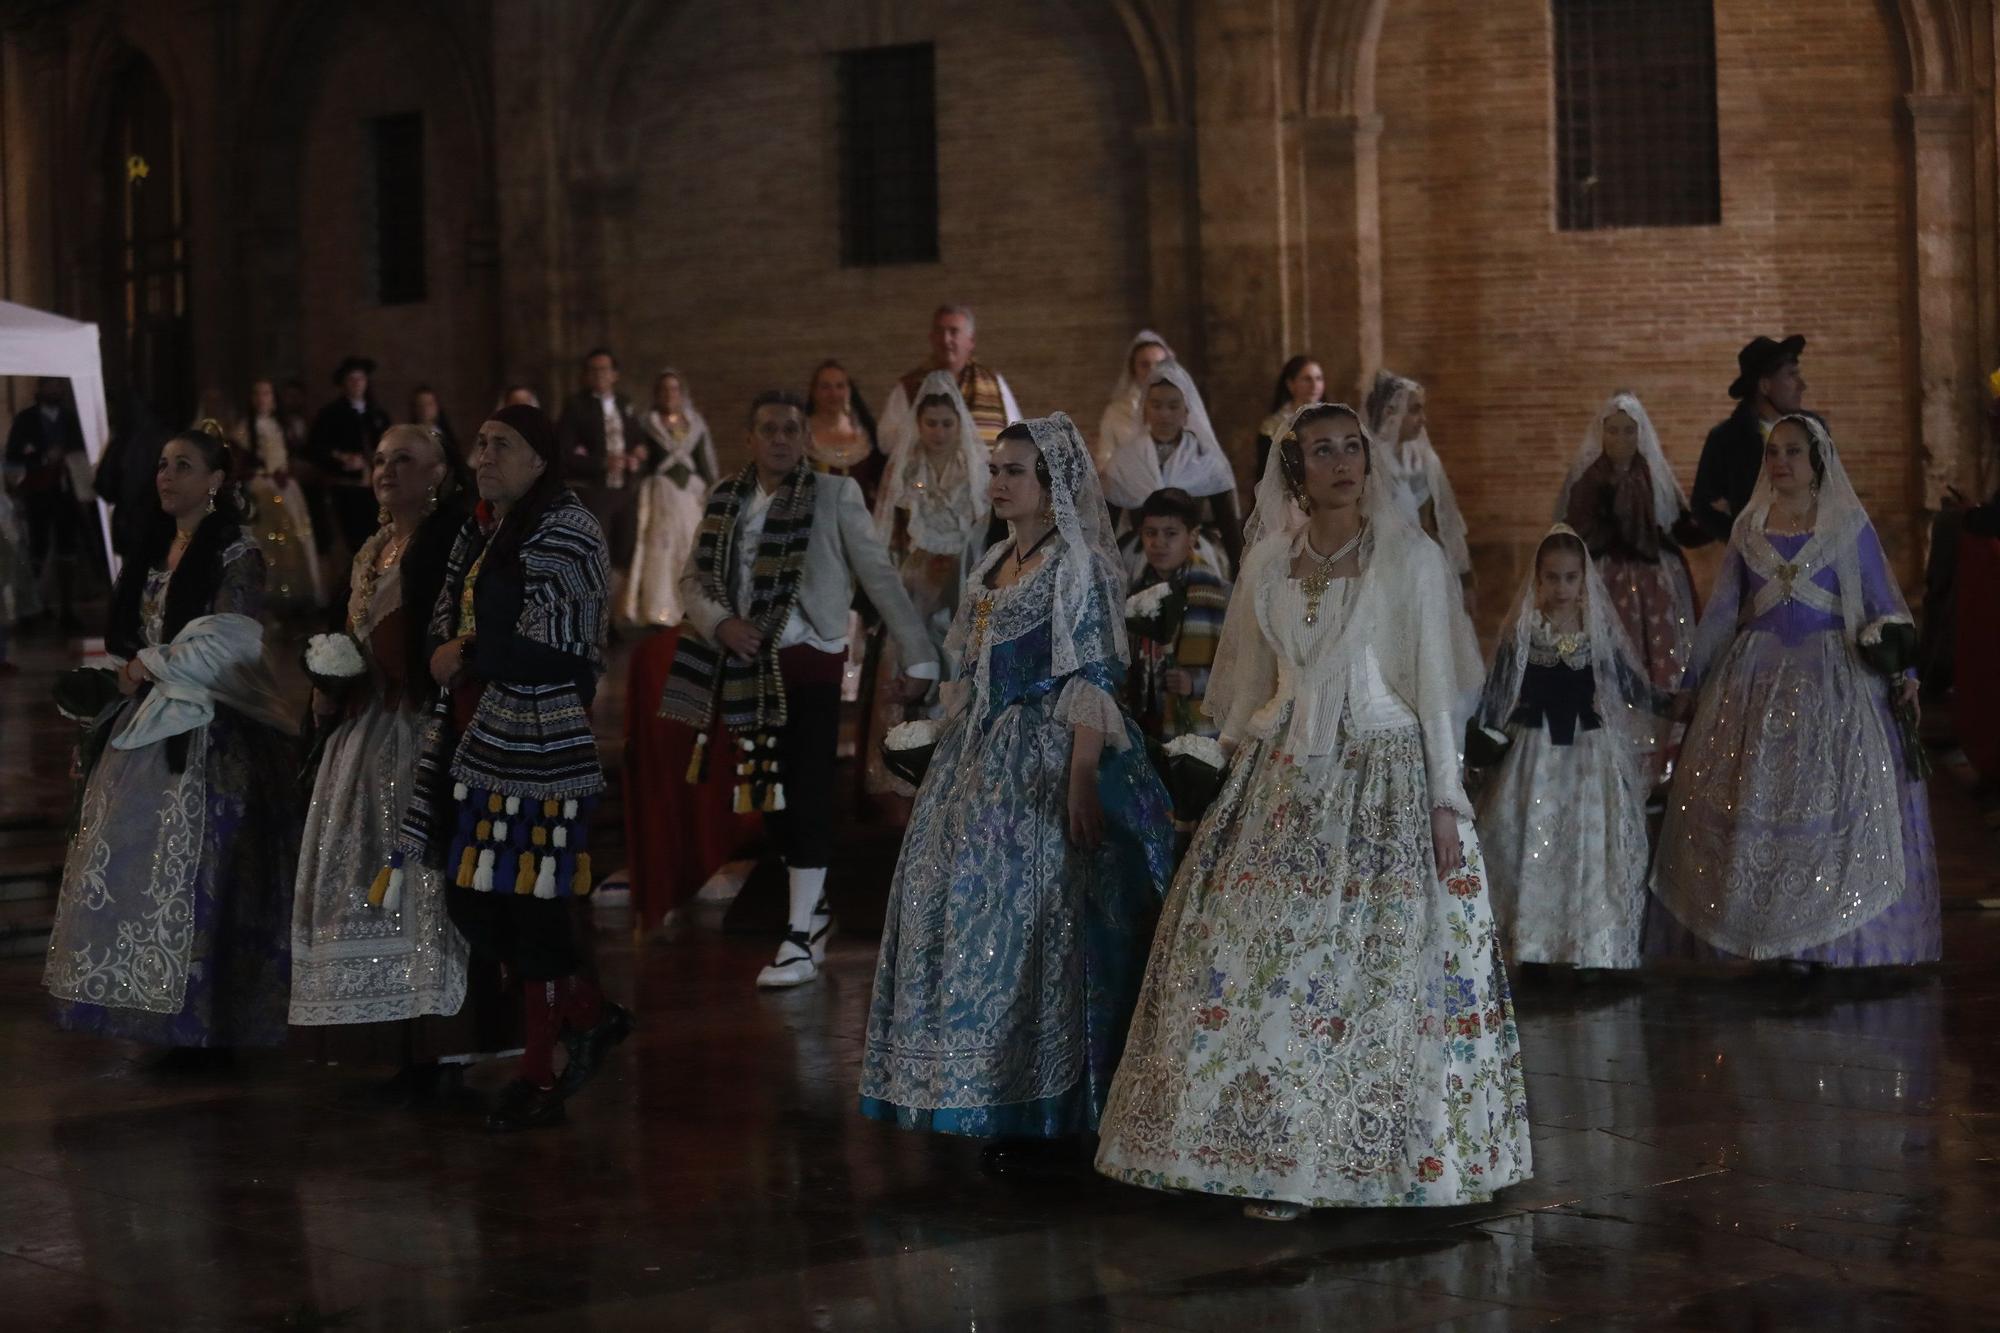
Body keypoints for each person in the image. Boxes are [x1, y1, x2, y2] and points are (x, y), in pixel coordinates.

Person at [1094, 401, 1528, 1220]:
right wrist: (1211, 759)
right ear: (1295, 469)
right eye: (1319, 450)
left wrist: (1445, 798)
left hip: (1384, 774)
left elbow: (1437, 688)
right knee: (1253, 951)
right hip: (1283, 774)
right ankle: (1267, 1149)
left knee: (1370, 966)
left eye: (1350, 448)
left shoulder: (1411, 558)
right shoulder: (1267, 560)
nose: (1339, 462)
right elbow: (1248, 683)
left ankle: (1366, 1152)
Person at [859, 413, 1173, 1173]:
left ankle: (1054, 1110)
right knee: (959, 905)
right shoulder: (995, 561)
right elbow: (975, 673)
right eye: (995, 469)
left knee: (1043, 919)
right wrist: (933, 720)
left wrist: (1079, 781)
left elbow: (1093, 677)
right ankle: (989, 1089)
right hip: (982, 755)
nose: (998, 483)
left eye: (1015, 471)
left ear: (1052, 482)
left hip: (1052, 753)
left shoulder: (1079, 564)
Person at [396, 403, 632, 1130]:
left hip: (537, 741)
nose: (484, 455)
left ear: (540, 458)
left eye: (503, 444)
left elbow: (560, 645)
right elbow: (444, 610)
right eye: (481, 442)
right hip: (472, 736)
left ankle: (539, 1071)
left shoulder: (569, 530)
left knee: (528, 905)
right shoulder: (479, 526)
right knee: (474, 896)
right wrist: (453, 646)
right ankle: (589, 1013)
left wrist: (466, 653)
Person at [661, 391, 939, 989]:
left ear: (806, 439)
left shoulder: (835, 494)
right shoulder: (724, 498)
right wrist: (720, 623)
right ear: (750, 439)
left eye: (792, 429)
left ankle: (797, 939)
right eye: (770, 429)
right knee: (771, 797)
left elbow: (878, 575)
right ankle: (812, 911)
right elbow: (691, 578)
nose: (782, 439)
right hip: (745, 666)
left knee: (808, 788)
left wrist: (919, 652)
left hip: (810, 659)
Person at [1650, 414, 1941, 968]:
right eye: (1773, 453)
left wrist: (1905, 673)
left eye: (1792, 453)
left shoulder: (1846, 526)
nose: (1780, 463)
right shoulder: (1748, 528)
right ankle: (1762, 941)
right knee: (1757, 805)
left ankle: (1831, 946)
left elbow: (1885, 605)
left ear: (1817, 462)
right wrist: (1691, 683)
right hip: (1753, 682)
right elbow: (1719, 614)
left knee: (1830, 808)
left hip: (1833, 684)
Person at [43, 425, 300, 1052]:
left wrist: (145, 668)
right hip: (150, 724)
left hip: (213, 728)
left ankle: (211, 1016)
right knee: (143, 868)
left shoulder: (234, 551)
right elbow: (131, 637)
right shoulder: (152, 548)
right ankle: (157, 1009)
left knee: (209, 870)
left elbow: (228, 643)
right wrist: (114, 678)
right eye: (162, 464)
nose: (165, 475)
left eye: (183, 465)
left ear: (215, 481)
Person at [289, 425, 477, 1078]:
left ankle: (432, 1035)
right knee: (355, 868)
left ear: (438, 474)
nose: (386, 470)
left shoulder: (447, 541)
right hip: (362, 729)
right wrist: (330, 677)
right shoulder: (372, 548)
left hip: (413, 723)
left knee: (413, 868)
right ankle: (382, 1031)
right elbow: (350, 629)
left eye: (404, 459)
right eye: (378, 460)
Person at [1473, 526, 1661, 974]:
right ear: (1537, 580)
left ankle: (1586, 947)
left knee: (1586, 843)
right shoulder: (1525, 633)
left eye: (1570, 578)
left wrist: (1673, 701)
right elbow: (1499, 689)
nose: (1561, 588)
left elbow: (1630, 684)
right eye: (1552, 578)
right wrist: (1481, 738)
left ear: (1583, 580)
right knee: (1532, 841)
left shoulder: (1597, 634)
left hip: (1587, 755)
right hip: (1533, 755)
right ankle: (1533, 945)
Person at [861, 370, 991, 797]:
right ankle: (904, 768)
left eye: (946, 423)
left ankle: (960, 769)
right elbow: (888, 533)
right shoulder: (906, 468)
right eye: (931, 423)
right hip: (916, 579)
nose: (938, 432)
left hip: (963, 579)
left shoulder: (974, 470)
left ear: (959, 425)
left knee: (958, 663)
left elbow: (986, 529)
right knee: (910, 662)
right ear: (918, 424)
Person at [1102, 358, 1244, 572]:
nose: (1164, 414)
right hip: (1139, 554)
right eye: (1156, 405)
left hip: (1197, 554)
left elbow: (1229, 523)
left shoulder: (1206, 457)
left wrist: (1241, 572)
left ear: (1187, 410)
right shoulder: (1125, 459)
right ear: (1145, 408)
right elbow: (1106, 527)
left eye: (1173, 406)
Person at [1123, 488, 1230, 743]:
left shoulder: (1217, 594)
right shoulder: (1136, 591)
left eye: (1171, 533)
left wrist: (1195, 682)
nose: (1158, 543)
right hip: (1147, 721)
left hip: (1195, 726)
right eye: (1150, 533)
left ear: (1192, 536)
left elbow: (1237, 667)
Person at [1364, 371, 1474, 608]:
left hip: (1423, 570)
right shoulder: (1366, 462)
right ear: (1390, 413)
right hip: (1381, 573)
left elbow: (1443, 519)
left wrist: (1463, 577)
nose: (1422, 419)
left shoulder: (1423, 459)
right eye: (1414, 410)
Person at [621, 369, 717, 629]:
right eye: (664, 390)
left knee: (690, 547)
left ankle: (691, 605)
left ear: (681, 393)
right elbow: (640, 459)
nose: (669, 394)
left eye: (674, 389)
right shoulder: (647, 423)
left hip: (689, 496)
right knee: (660, 549)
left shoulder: (694, 424)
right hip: (661, 493)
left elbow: (705, 463)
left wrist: (712, 490)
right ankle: (659, 608)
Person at [1691, 335, 1808, 545]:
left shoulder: (1813, 433)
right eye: (1791, 375)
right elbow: (1703, 507)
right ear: (1764, 386)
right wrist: (1742, 540)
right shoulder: (1726, 440)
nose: (1802, 385)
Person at [877, 305, 1024, 459]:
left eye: (953, 332)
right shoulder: (910, 385)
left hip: (985, 479)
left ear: (971, 341)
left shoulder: (993, 382)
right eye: (940, 332)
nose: (946, 340)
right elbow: (886, 442)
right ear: (932, 338)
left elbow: (1017, 435)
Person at [5, 377, 89, 631]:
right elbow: (13, 457)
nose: (55, 390)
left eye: (58, 386)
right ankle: (29, 609)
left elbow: (82, 450)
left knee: (67, 549)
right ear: (40, 389)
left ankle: (66, 608)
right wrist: (42, 458)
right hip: (36, 493)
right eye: (51, 386)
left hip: (66, 493)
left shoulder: (71, 419)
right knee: (35, 550)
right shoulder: (26, 419)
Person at [557, 348, 649, 573]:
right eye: (593, 370)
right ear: (587, 375)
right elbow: (563, 453)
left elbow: (639, 439)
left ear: (614, 374)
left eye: (604, 369)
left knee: (626, 550)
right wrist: (601, 463)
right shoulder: (576, 406)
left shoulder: (625, 404)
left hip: (626, 490)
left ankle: (619, 606)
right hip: (595, 492)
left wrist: (639, 452)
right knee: (598, 552)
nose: (599, 374)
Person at [242, 378, 324, 617]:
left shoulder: (283, 425)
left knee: (296, 535)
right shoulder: (245, 427)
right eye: (257, 394)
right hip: (262, 484)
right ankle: (268, 592)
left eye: (266, 393)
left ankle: (297, 592)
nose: (262, 399)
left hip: (286, 486)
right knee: (268, 536)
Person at [306, 355, 393, 554]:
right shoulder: (330, 415)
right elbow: (315, 449)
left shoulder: (377, 414)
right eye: (351, 380)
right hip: (345, 489)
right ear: (343, 384)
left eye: (360, 379)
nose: (356, 384)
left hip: (374, 488)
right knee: (350, 542)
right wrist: (341, 459)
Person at [804, 360, 887, 509]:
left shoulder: (866, 433)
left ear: (849, 390)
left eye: (840, 386)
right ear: (814, 392)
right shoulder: (801, 435)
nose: (833, 393)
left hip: (863, 521)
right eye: (825, 387)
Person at [1093, 330, 1175, 476]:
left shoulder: (1183, 408)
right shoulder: (1116, 412)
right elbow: (1104, 462)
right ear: (1134, 369)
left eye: (1159, 364)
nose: (1152, 371)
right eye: (1145, 365)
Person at [1254, 356, 1325, 479]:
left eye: (1319, 379)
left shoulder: (1335, 419)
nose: (1314, 385)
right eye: (1307, 379)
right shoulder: (1273, 426)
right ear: (1290, 384)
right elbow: (1266, 473)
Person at [409, 384, 460, 460]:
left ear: (437, 406)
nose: (425, 409)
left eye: (429, 404)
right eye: (421, 405)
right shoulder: (409, 435)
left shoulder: (445, 435)